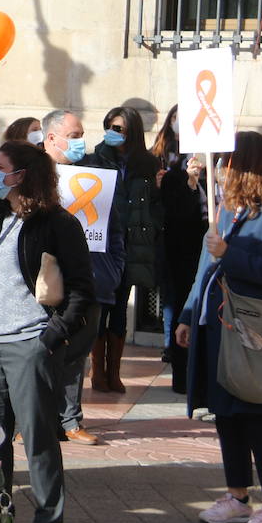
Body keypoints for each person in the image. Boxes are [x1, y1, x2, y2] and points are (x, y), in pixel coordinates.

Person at [0, 141, 96, 523]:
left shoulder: (58, 224)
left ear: (23, 175)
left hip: (29, 345)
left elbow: (83, 290)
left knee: (38, 442)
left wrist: (48, 339)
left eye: (1, 168)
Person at [177, 132, 262, 523]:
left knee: (260, 419)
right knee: (226, 416)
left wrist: (230, 254)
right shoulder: (226, 210)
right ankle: (236, 495)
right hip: (219, 327)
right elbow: (203, 268)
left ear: (246, 166)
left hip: (257, 332)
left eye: (225, 162)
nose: (218, 171)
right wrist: (187, 314)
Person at [40, 108, 116, 446]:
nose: (80, 142)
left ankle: (70, 420)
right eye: (73, 136)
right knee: (42, 352)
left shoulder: (93, 175)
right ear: (51, 138)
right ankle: (35, 419)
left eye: (81, 135)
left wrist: (113, 269)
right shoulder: (33, 176)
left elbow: (113, 227)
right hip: (46, 281)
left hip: (88, 278)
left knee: (78, 351)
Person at [90, 106, 161, 393]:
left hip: (132, 244)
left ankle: (114, 372)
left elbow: (156, 206)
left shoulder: (147, 164)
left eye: (119, 128)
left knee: (119, 309)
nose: (114, 133)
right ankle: (97, 372)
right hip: (102, 245)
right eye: (110, 126)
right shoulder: (94, 159)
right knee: (99, 309)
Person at [151, 105, 204, 394]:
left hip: (203, 238)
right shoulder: (163, 161)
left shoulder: (210, 156)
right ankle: (175, 355)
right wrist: (183, 182)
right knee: (177, 299)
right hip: (176, 243)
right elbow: (173, 207)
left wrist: (200, 179)